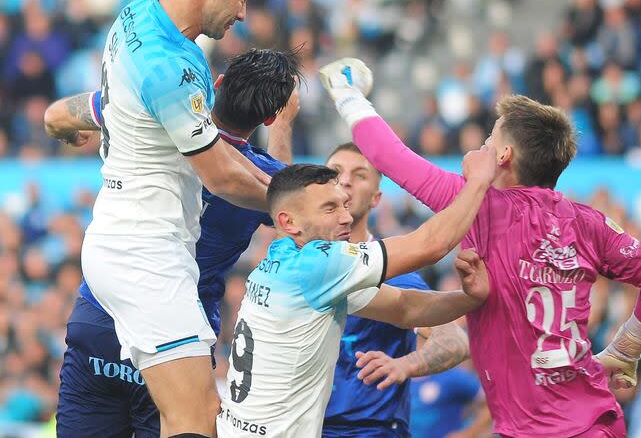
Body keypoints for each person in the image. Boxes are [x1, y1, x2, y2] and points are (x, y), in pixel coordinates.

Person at [319, 58, 641, 438]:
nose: (480, 146)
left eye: (488, 140)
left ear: (503, 157)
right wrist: (625, 350)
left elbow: (389, 156)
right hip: (593, 422)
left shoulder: (477, 205)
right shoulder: (590, 223)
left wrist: (348, 95)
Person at [44, 48, 301, 437]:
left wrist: (67, 129)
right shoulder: (259, 180)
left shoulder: (151, 117)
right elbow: (291, 207)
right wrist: (282, 127)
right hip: (179, 341)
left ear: (215, 85)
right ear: (267, 116)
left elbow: (57, 114)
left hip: (100, 319)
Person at [216, 148, 497, 438]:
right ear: (289, 222)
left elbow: (404, 308)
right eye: (330, 208)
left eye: (344, 205)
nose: (345, 217)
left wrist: (470, 298)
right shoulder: (320, 266)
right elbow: (432, 244)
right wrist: (479, 181)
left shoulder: (284, 255)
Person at [323, 143, 472, 438]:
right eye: (335, 172)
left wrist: (405, 365)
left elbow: (456, 341)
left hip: (369, 431)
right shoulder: (300, 264)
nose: (346, 180)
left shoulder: (394, 274)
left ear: (377, 198)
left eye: (360, 175)